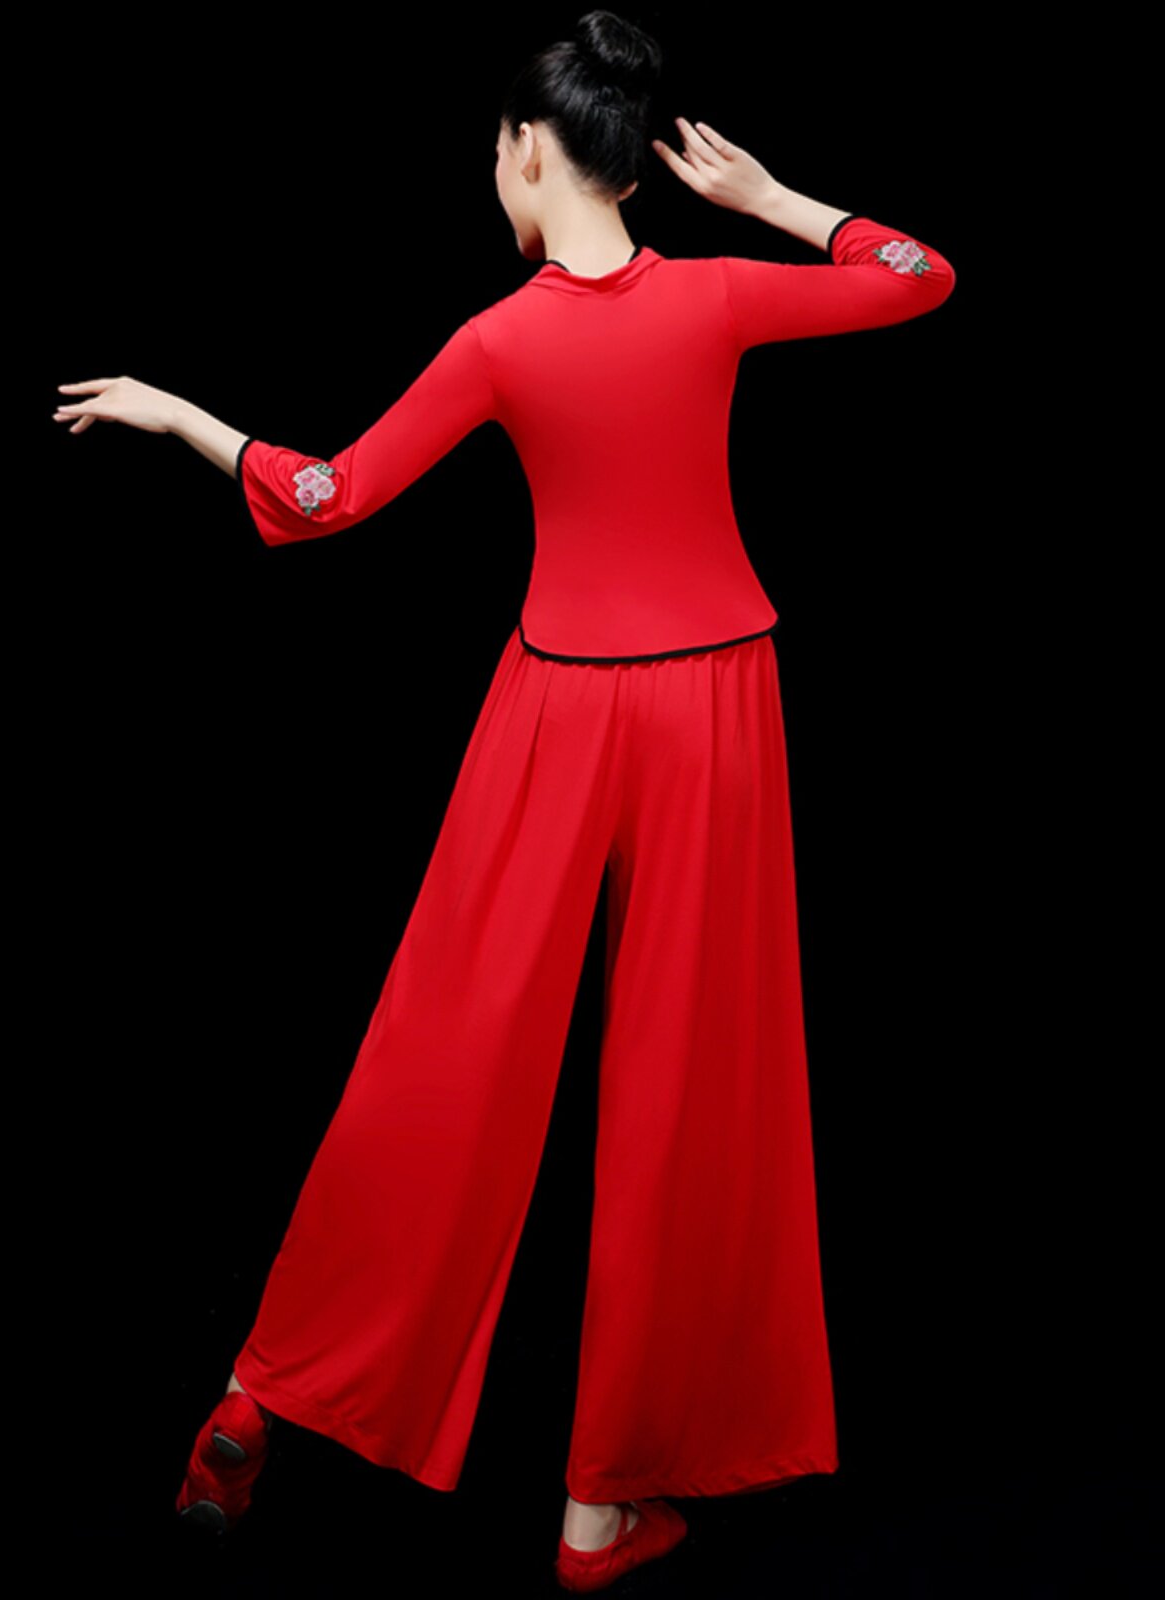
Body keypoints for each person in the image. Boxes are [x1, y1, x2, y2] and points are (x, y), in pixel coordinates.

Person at [54, 10, 955, 1592]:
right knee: (686, 1085)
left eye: (494, 149)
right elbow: (917, 275)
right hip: (716, 706)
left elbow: (328, 494)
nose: (492, 173)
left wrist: (183, 416)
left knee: (444, 1042)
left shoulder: (497, 342)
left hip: (555, 706)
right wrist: (770, 202)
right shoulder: (717, 295)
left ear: (533, 150)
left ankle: (265, 1392)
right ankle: (599, 1510)